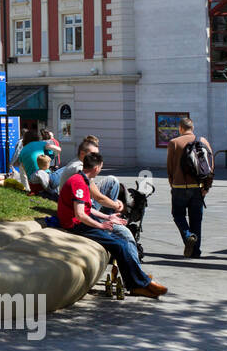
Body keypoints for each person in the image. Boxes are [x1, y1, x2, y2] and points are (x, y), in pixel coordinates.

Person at [57, 152, 166, 298]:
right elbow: (80, 215)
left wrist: (108, 216)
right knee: (119, 245)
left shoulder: (83, 179)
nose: (101, 169)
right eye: (101, 167)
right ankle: (140, 284)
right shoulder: (78, 183)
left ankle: (138, 282)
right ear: (96, 167)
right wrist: (101, 226)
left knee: (121, 243)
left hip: (81, 222)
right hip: (76, 225)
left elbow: (89, 210)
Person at [166, 116, 211, 258]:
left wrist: (172, 183)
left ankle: (187, 237)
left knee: (178, 215)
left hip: (179, 186)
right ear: (192, 128)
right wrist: (206, 186)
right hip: (198, 186)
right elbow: (210, 165)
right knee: (196, 219)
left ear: (180, 128)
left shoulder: (173, 142)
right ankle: (195, 252)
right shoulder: (202, 141)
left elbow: (170, 167)